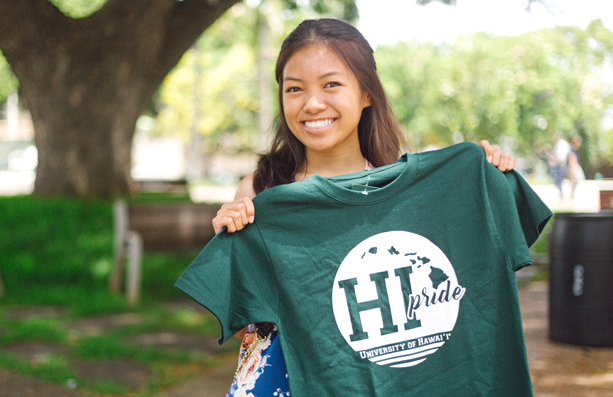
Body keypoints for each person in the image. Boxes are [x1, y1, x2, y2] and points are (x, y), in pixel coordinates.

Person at [209, 19, 517, 396]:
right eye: (294, 89)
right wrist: (229, 245)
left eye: (331, 84)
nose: (312, 103)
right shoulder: (261, 192)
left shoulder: (403, 196)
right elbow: (248, 328)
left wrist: (485, 177)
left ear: (367, 93)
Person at [547, 133, 571, 198]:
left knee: (557, 179)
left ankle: (561, 193)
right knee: (559, 180)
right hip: (561, 164)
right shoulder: (565, 144)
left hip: (559, 165)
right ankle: (561, 193)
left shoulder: (561, 145)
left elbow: (560, 157)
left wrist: (555, 162)